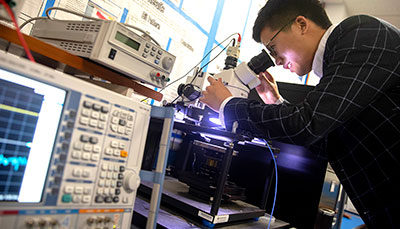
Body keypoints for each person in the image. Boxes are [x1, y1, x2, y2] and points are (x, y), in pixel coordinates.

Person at [199, 0, 400, 228]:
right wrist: (275, 101)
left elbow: (306, 125)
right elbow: (328, 142)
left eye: (273, 48)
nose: (276, 60)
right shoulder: (342, 63)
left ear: (301, 25)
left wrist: (227, 104)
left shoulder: (361, 33)